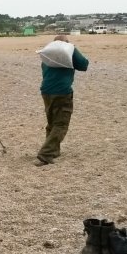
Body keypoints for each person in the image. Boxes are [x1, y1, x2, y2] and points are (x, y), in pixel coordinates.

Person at [35, 35, 89, 166]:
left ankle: (54, 150)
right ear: (66, 44)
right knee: (61, 124)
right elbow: (84, 65)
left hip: (46, 91)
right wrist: (73, 48)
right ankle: (46, 154)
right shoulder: (69, 51)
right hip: (62, 92)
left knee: (52, 123)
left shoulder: (48, 55)